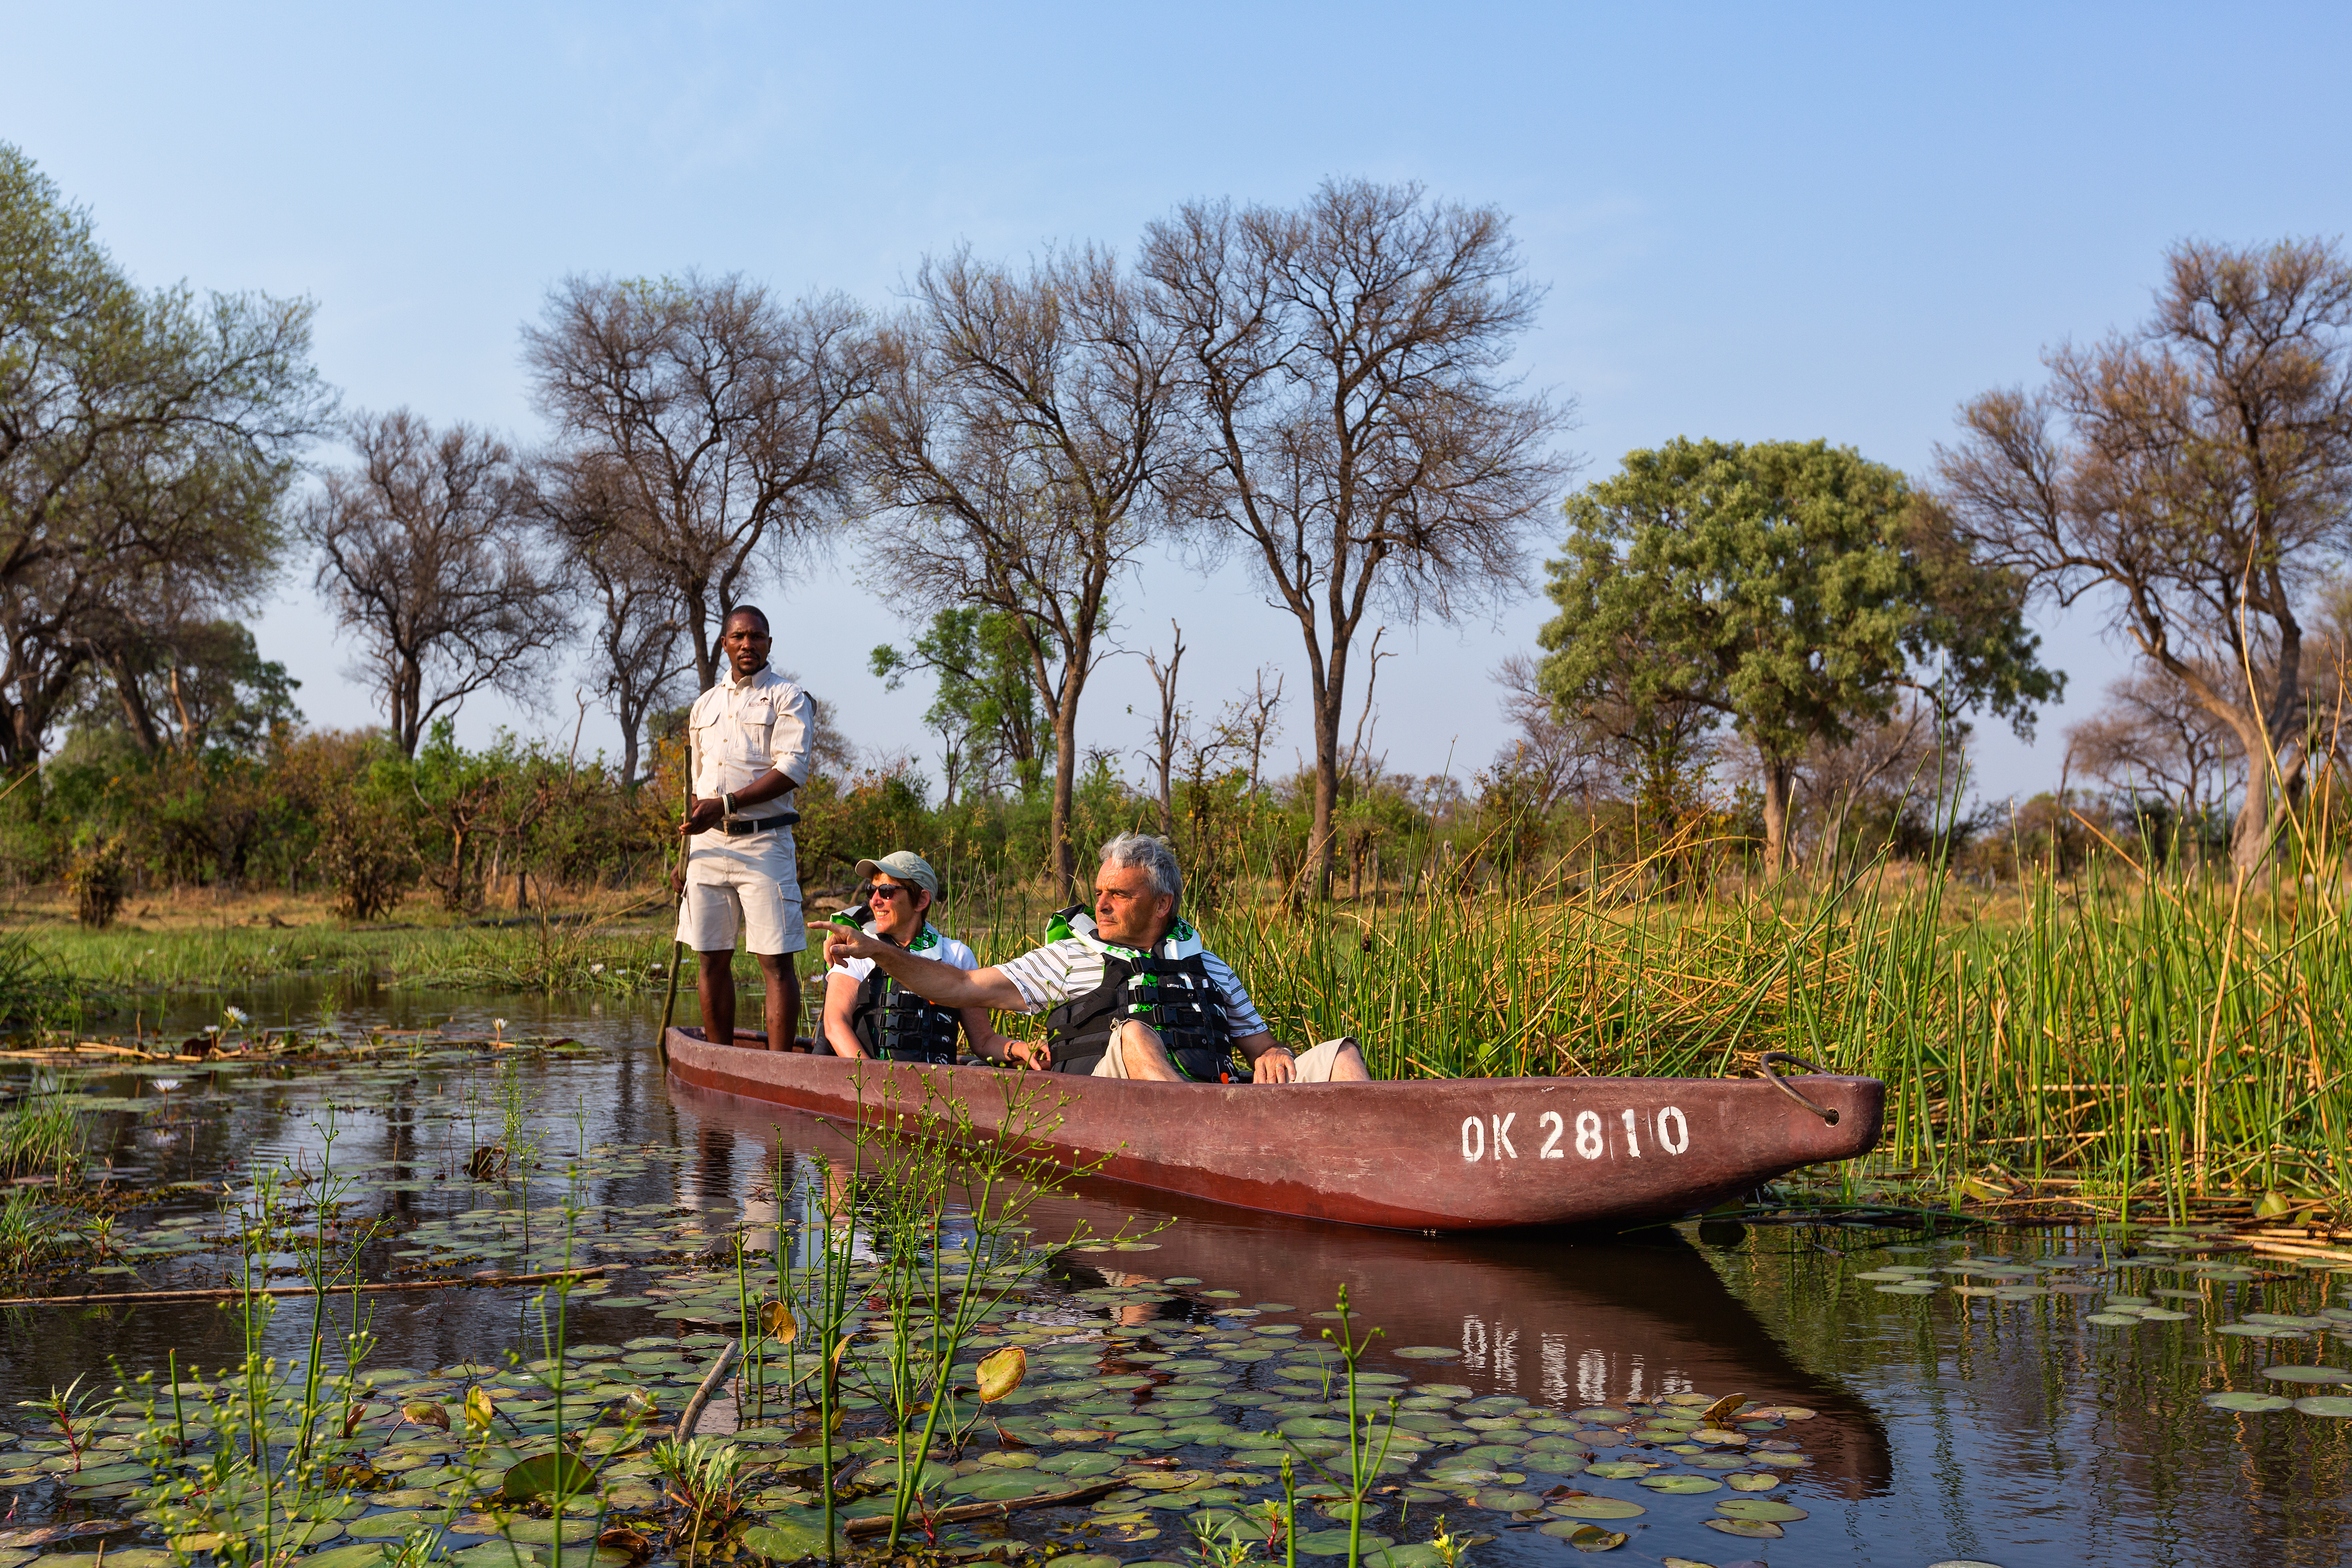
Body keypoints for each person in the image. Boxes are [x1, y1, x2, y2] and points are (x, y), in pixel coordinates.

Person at [815, 831, 1370, 1083]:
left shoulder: (1210, 966)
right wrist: (875, 952)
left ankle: (1363, 1168)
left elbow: (1262, 1047)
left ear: (1161, 905)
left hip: (1220, 1107)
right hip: (1121, 1113)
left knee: (1340, 1054)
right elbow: (958, 987)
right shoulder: (1067, 958)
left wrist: (1275, 1053)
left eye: (1120, 895)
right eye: (1100, 891)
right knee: (1131, 1034)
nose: (1100, 904)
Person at [676, 606, 811, 1051]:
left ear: (769, 644)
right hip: (708, 849)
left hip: (766, 843)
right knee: (711, 958)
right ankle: (720, 1065)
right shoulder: (704, 705)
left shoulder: (788, 697)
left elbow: (791, 769)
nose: (747, 645)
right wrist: (684, 857)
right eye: (739, 637)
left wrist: (728, 803)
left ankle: (780, 1071)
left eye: (757, 637)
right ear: (725, 644)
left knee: (775, 962)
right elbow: (696, 790)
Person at [820, 849, 1047, 1069]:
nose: (875, 901)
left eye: (887, 891)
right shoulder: (857, 947)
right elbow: (835, 1023)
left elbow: (984, 1040)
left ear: (921, 901)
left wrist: (1018, 1048)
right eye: (872, 890)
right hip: (871, 1089)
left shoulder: (956, 955)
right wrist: (871, 1079)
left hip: (936, 1093)